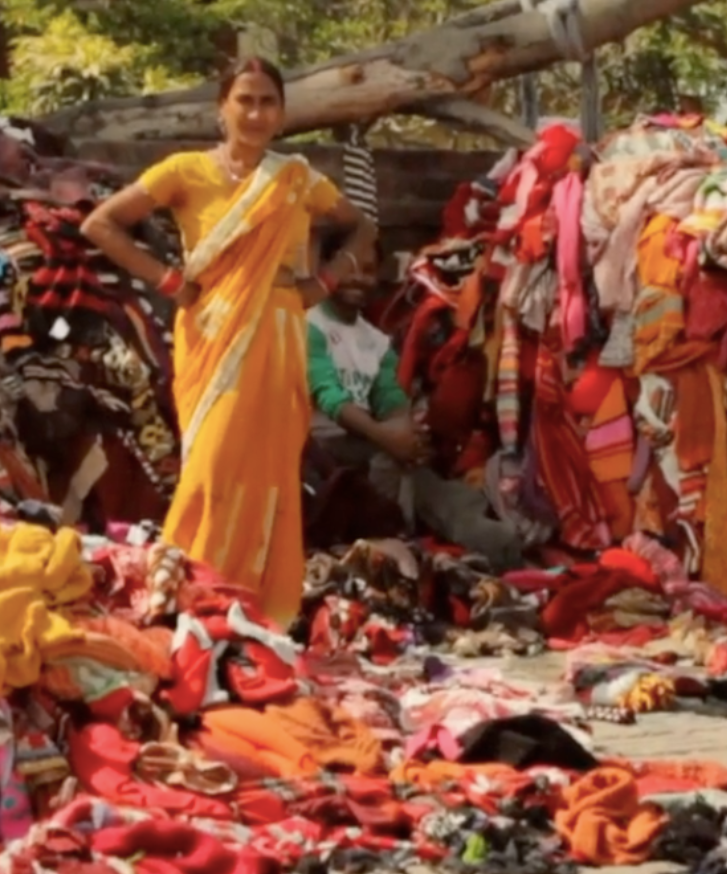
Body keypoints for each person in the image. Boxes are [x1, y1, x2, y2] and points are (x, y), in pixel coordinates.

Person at [81, 58, 375, 627]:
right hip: (213, 336)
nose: (256, 113)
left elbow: (362, 228)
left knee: (268, 473)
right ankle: (189, 588)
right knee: (209, 470)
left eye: (268, 102)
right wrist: (169, 280)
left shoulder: (295, 179)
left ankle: (255, 605)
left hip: (280, 336)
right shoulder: (184, 171)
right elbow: (100, 224)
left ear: (282, 113)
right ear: (222, 107)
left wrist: (322, 284)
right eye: (245, 100)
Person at [306, 235, 525, 572]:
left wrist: (405, 434)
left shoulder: (374, 341)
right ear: (325, 270)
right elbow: (329, 396)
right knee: (393, 465)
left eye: (367, 270)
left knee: (420, 474)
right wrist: (390, 439)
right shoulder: (309, 323)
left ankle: (490, 537)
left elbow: (391, 398)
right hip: (319, 446)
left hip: (366, 443)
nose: (358, 278)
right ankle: (396, 532)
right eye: (348, 268)